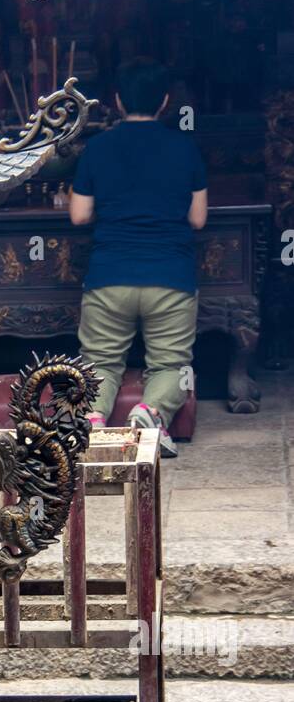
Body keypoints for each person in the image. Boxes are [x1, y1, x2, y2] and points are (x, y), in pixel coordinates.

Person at [69, 58, 208, 458]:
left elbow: (79, 215)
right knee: (171, 366)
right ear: (165, 101)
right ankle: (150, 414)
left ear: (116, 101)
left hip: (110, 276)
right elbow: (197, 219)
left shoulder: (97, 148)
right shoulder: (185, 147)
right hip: (171, 277)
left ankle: (93, 421)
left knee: (99, 365)